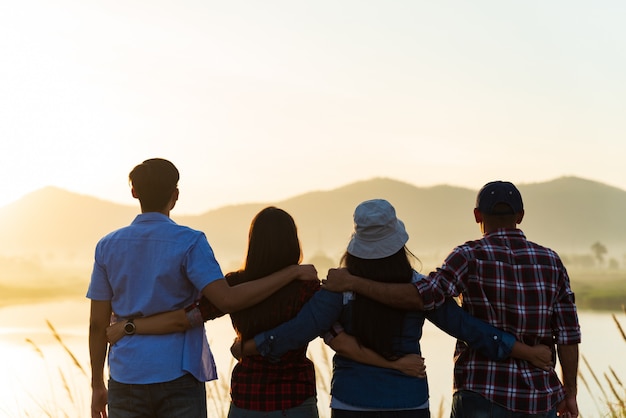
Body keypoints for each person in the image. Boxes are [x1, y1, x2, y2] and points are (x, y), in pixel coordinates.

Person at [237, 199, 552, 418]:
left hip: (351, 402)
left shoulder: (339, 289)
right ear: (399, 245)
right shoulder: (418, 288)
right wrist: (520, 349)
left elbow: (296, 332)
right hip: (408, 402)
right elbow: (467, 328)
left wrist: (251, 346)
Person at [105, 206, 423, 418]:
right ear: (292, 242)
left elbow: (183, 318)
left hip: (248, 400)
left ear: (253, 242)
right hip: (296, 399)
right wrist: (394, 363)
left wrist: (131, 325)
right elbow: (339, 341)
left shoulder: (232, 287)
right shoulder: (307, 289)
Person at [324, 182, 581, 418]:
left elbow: (423, 297)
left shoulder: (467, 256)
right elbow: (567, 335)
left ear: (477, 216)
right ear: (521, 216)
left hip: (479, 393)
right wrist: (569, 393)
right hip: (536, 399)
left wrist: (352, 283)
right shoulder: (551, 261)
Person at [87, 159, 318, 418]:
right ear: (175, 195)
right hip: (179, 372)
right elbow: (227, 299)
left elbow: (98, 324)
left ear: (134, 192)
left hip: (126, 374)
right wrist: (292, 272)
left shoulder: (107, 246)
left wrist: (97, 384)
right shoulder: (190, 242)